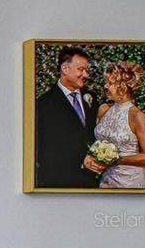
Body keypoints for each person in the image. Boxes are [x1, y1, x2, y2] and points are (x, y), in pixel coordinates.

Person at [33, 46, 102, 188]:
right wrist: (80, 161)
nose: (86, 75)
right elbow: (46, 147)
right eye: (81, 69)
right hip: (62, 180)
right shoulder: (44, 104)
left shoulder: (91, 97)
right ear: (65, 69)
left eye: (86, 70)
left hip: (92, 181)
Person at [93, 60, 145, 189]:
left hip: (130, 182)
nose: (105, 86)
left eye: (110, 83)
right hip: (105, 181)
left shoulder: (137, 116)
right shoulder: (103, 109)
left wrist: (116, 160)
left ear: (123, 86)